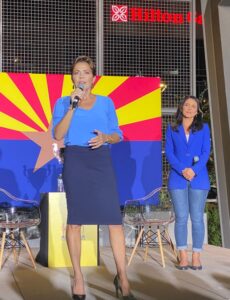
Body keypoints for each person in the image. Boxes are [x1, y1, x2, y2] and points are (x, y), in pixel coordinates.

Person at [52, 55, 136, 300]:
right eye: (77, 72)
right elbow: (58, 134)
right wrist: (71, 106)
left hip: (101, 159)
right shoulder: (63, 102)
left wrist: (106, 138)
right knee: (75, 221)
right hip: (76, 160)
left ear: (93, 77)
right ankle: (78, 278)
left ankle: (123, 278)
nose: (81, 76)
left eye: (86, 72)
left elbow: (118, 133)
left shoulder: (106, 103)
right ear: (72, 77)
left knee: (114, 221)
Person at [165, 95, 211, 270]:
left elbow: (206, 152)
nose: (190, 108)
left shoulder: (204, 128)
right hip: (178, 178)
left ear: (197, 110)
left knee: (197, 218)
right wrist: (183, 169)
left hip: (199, 178)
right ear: (181, 107)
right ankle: (183, 255)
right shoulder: (172, 128)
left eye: (193, 106)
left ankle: (196, 256)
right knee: (181, 218)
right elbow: (169, 153)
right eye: (187, 105)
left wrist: (194, 170)